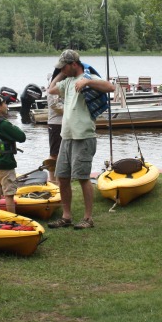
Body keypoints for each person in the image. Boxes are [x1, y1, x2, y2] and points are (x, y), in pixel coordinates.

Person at [46, 49, 114, 230]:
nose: (62, 70)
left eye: (64, 66)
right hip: (66, 136)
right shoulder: (67, 81)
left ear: (74, 64)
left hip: (83, 136)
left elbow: (111, 87)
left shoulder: (87, 78)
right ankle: (66, 216)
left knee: (83, 178)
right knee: (62, 177)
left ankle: (88, 218)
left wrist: (87, 82)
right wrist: (61, 72)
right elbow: (51, 90)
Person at [0, 94, 26, 214]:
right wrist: (11, 125)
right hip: (5, 163)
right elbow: (21, 137)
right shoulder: (3, 124)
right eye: (5, 103)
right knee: (9, 194)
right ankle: (12, 220)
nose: (7, 105)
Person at [44, 68, 64, 183]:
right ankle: (52, 179)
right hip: (55, 124)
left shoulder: (60, 87)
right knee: (54, 153)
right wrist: (70, 111)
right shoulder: (52, 89)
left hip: (63, 123)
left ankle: (60, 177)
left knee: (63, 152)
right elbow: (54, 106)